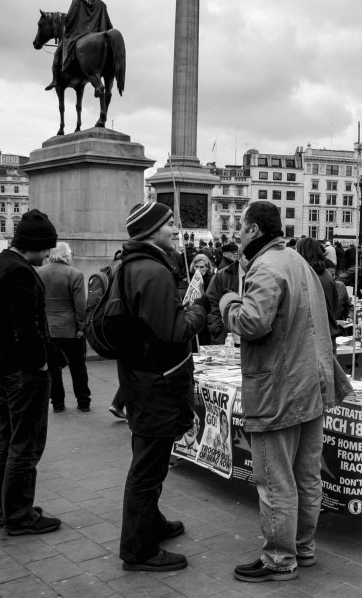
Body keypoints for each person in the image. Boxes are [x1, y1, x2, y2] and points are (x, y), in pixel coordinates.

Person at [219, 201, 336, 582]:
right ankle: (303, 547)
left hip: (279, 391)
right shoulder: (298, 261)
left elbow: (252, 322)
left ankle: (278, 559)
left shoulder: (266, 267)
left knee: (276, 479)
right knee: (306, 475)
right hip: (310, 386)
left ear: (254, 229)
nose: (237, 233)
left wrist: (227, 303)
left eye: (241, 226)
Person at [115, 202, 209, 571]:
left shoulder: (130, 264)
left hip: (140, 377)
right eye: (170, 224)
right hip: (158, 382)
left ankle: (150, 523)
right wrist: (198, 308)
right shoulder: (153, 272)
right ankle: (138, 549)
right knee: (148, 469)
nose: (175, 229)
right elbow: (173, 333)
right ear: (153, 230)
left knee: (148, 461)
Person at [0, 211, 61, 533]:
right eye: (46, 248)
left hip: (0, 362)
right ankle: (18, 515)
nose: (48, 255)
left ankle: (8, 506)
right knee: (25, 444)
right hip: (21, 369)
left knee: (8, 438)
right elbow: (26, 327)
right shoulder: (21, 273)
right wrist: (40, 363)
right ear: (35, 244)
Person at [37, 242, 91, 412]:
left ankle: (58, 403)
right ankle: (83, 401)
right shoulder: (74, 274)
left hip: (48, 329)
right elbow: (80, 306)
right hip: (70, 329)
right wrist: (81, 326)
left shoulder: (38, 273)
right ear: (65, 255)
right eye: (71, 254)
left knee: (53, 369)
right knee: (78, 367)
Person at [46, 0, 113, 91]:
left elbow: (69, 20)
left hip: (78, 34)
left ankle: (55, 80)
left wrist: (59, 17)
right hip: (99, 37)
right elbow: (109, 26)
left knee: (57, 53)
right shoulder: (102, 4)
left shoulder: (77, 0)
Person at [296, 238, 341, 349]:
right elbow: (336, 304)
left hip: (312, 338)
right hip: (329, 333)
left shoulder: (304, 274)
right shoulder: (327, 274)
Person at [206, 246, 240, 345]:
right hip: (227, 338)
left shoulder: (261, 274)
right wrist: (219, 332)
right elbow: (211, 304)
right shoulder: (222, 274)